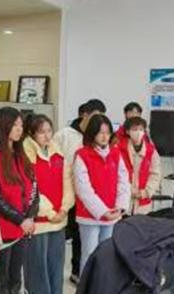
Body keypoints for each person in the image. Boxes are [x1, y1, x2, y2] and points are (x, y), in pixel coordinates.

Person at [0, 107, 38, 294]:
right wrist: (21, 219)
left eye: (21, 125)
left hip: (22, 227)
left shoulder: (20, 154)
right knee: (1, 277)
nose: (19, 129)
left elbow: (33, 187)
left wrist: (30, 216)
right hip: (3, 228)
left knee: (16, 275)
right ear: (4, 126)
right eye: (15, 125)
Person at [23, 114, 73, 294]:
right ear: (32, 133)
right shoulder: (26, 153)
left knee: (55, 260)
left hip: (59, 218)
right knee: (37, 262)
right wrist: (50, 212)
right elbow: (31, 188)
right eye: (41, 132)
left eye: (49, 131)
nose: (46, 135)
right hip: (39, 219)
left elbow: (68, 182)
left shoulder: (57, 151)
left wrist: (64, 208)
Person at [54, 99, 106, 284]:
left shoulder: (96, 137)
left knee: (83, 237)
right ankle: (63, 273)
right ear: (85, 114)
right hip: (66, 193)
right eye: (95, 116)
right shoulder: (65, 135)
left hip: (89, 196)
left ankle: (80, 273)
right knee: (66, 234)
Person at [73, 114, 130, 273]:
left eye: (107, 132)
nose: (105, 137)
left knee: (107, 255)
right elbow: (83, 189)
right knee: (90, 255)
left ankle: (103, 285)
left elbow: (123, 182)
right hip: (89, 216)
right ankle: (87, 287)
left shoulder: (116, 154)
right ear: (92, 133)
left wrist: (120, 207)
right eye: (100, 133)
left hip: (113, 213)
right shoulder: (82, 155)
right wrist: (103, 211)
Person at [117, 117, 161, 215]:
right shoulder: (118, 149)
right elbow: (115, 174)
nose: (138, 132)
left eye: (141, 129)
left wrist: (146, 192)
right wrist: (128, 190)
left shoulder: (151, 151)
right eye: (134, 129)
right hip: (123, 201)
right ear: (127, 131)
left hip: (143, 203)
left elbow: (155, 175)